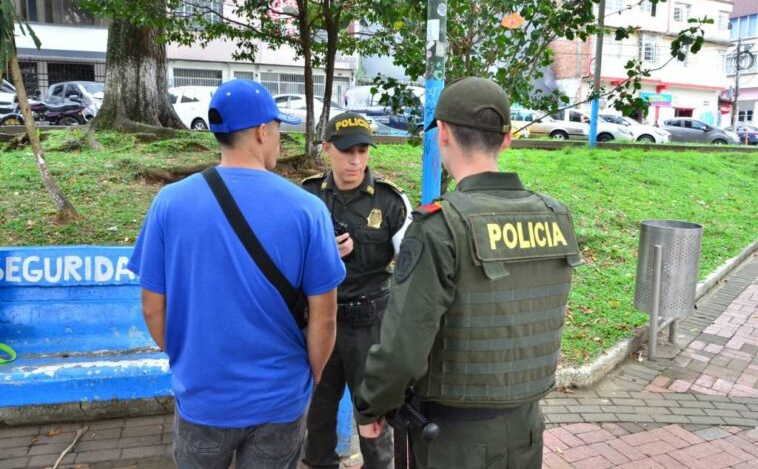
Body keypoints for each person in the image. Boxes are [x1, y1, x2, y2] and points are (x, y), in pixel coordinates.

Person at [353, 77, 581, 469]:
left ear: (442, 133)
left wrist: (372, 407)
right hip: (527, 428)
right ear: (506, 140)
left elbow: (403, 350)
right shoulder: (555, 217)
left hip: (453, 441)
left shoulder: (440, 227)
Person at [128, 79, 345, 469]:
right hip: (279, 399)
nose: (280, 141)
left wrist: (189, 360)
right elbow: (325, 315)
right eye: (279, 130)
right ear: (263, 131)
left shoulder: (169, 203)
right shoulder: (307, 209)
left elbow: (152, 309)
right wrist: (308, 379)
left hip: (202, 398)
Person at [301, 111, 413, 469]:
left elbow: (412, 268)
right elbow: (286, 262)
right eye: (347, 151)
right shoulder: (307, 197)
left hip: (371, 326)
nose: (356, 160)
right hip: (320, 321)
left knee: (373, 416)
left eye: (363, 151)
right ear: (327, 149)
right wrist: (321, 255)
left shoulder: (391, 202)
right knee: (317, 413)